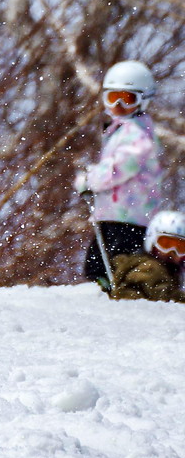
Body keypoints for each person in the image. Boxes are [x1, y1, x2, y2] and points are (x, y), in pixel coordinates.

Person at [76, 60, 165, 291]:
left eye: (127, 99)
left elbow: (123, 165)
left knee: (113, 263)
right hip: (116, 213)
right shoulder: (120, 129)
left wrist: (91, 179)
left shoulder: (137, 133)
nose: (118, 105)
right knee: (97, 264)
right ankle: (108, 291)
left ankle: (122, 293)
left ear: (143, 100)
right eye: (112, 97)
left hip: (130, 216)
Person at [108, 210, 185, 303]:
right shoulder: (150, 266)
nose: (173, 252)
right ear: (151, 241)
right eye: (166, 244)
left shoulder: (169, 272)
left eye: (180, 247)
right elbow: (162, 294)